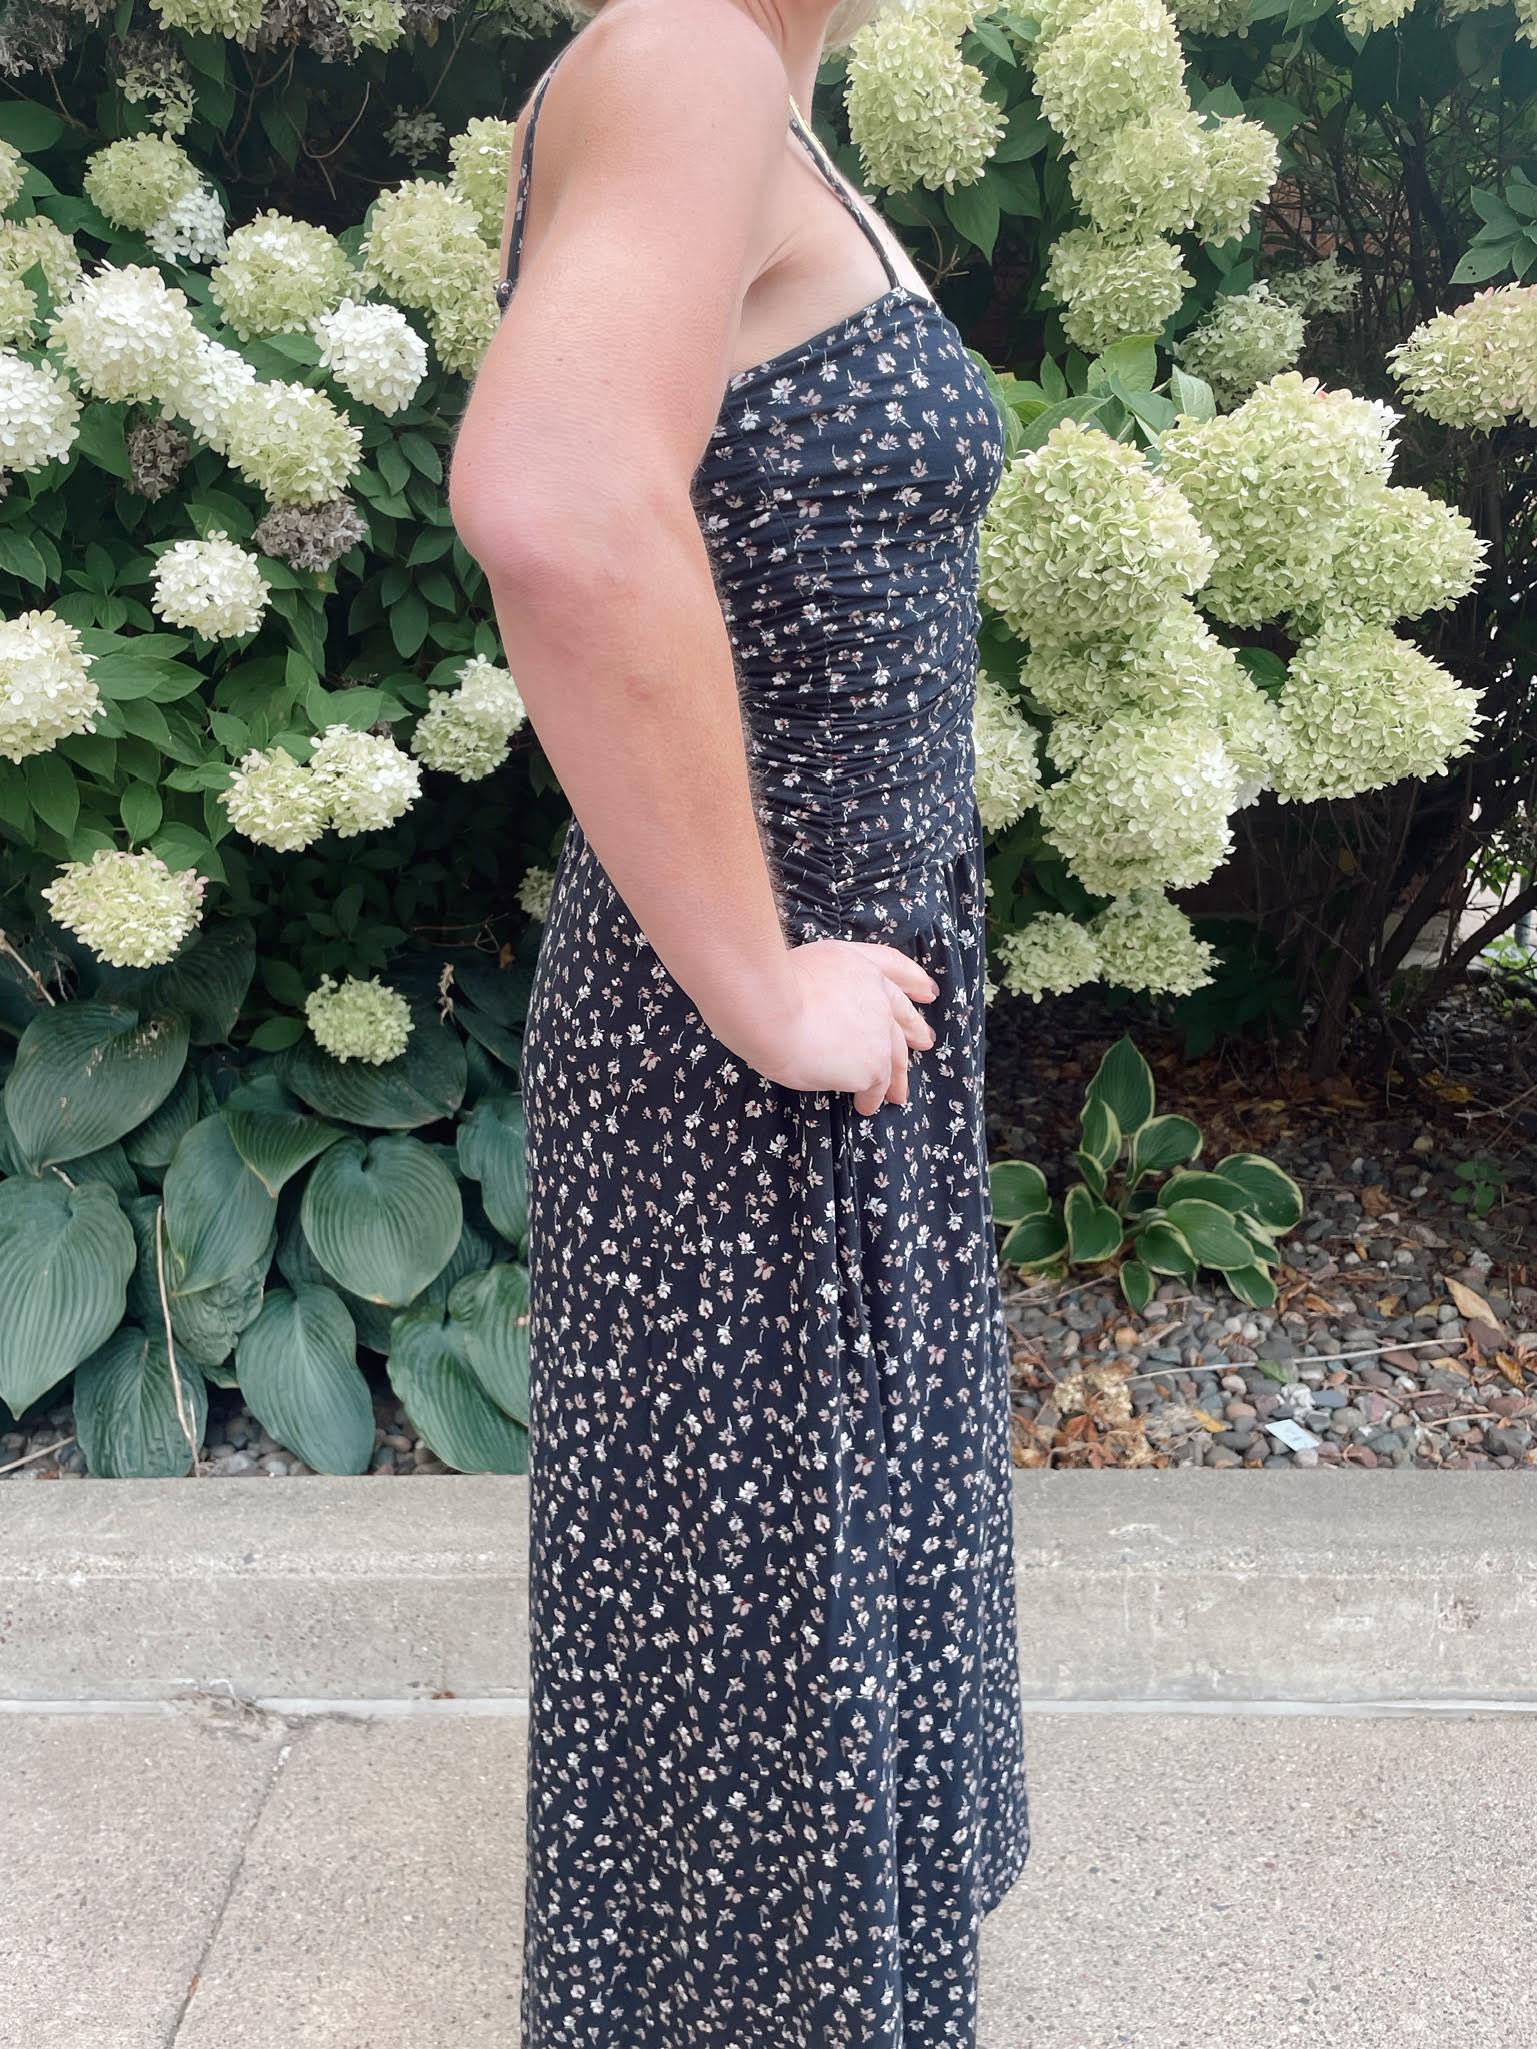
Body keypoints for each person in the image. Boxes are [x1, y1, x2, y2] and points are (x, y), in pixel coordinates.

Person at [448, 0, 1031, 2039]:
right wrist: (764, 988)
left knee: (789, 1648)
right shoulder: (690, 55)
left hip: (829, 1020)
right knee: (766, 1667)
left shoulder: (749, 89)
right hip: (751, 1060)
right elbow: (556, 500)